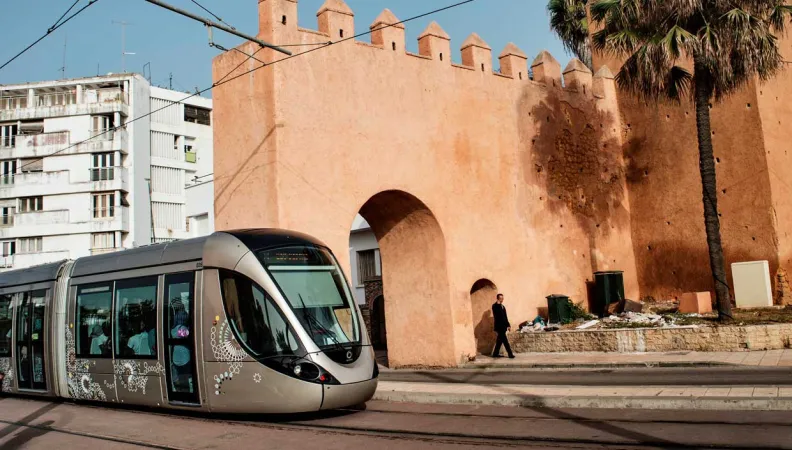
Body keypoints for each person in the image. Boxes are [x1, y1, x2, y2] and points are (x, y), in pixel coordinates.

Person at [491, 293, 515, 359]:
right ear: (498, 298)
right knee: (505, 341)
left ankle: (495, 354)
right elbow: (497, 315)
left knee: (499, 341)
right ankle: (510, 354)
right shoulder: (495, 306)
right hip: (499, 327)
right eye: (501, 298)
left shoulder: (503, 306)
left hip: (503, 327)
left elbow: (505, 317)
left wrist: (508, 325)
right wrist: (498, 304)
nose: (502, 299)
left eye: (503, 298)